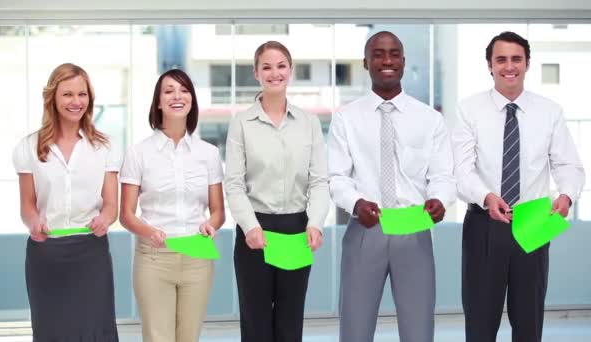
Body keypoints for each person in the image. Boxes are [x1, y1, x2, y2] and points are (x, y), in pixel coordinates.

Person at [452, 31, 585, 342]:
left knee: (528, 321)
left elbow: (569, 165)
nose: (509, 66)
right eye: (501, 59)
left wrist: (566, 195)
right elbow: (461, 169)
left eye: (516, 59)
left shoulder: (550, 111)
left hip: (534, 221)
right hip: (484, 222)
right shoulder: (468, 110)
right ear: (489, 65)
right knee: (481, 321)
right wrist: (486, 196)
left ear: (527, 64)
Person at [327, 31, 456, 342]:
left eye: (394, 53)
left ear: (403, 61)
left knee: (419, 331)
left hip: (413, 228)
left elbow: (443, 176)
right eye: (378, 54)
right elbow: (336, 177)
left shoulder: (429, 119)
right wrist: (357, 203)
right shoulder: (346, 118)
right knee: (355, 330)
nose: (387, 60)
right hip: (365, 229)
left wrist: (440, 199)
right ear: (366, 62)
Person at [224, 40, 329, 342]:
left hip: (297, 228)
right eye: (266, 67)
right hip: (255, 230)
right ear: (256, 73)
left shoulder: (308, 123)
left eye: (281, 66)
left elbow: (319, 180)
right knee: (255, 322)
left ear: (290, 71)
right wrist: (250, 226)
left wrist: (316, 223)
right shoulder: (241, 123)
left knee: (290, 321)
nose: (275, 73)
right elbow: (233, 183)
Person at [13, 63, 120, 341]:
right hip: (46, 255)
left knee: (96, 331)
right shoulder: (28, 147)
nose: (76, 102)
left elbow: (111, 205)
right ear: (53, 98)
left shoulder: (104, 147)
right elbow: (27, 204)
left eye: (82, 94)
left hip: (91, 253)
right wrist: (34, 221)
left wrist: (105, 219)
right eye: (67, 94)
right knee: (51, 331)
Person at [119, 69, 225, 342]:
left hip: (197, 255)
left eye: (184, 90)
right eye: (168, 91)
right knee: (158, 337)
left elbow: (218, 212)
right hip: (155, 257)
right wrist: (148, 231)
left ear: (192, 100)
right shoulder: (138, 153)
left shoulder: (209, 154)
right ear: (158, 102)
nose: (177, 96)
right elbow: (127, 215)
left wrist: (210, 225)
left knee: (189, 337)